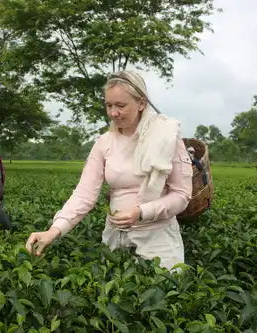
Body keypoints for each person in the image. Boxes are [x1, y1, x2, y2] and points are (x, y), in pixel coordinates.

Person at [25, 71, 193, 270]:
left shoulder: (166, 137)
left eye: (121, 105)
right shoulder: (104, 143)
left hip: (158, 240)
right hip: (116, 240)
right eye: (109, 105)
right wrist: (54, 230)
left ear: (141, 103)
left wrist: (141, 212)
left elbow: (182, 195)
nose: (113, 113)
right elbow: (84, 195)